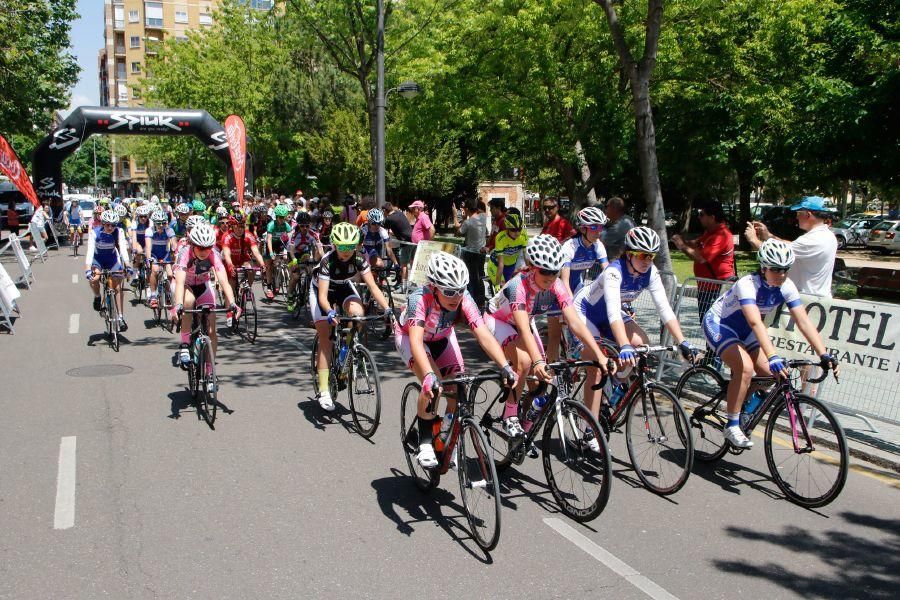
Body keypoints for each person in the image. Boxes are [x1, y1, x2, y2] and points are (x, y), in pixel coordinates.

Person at [702, 239, 839, 448]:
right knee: (746, 368)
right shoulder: (747, 284)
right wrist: (773, 355)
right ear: (764, 267)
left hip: (746, 331)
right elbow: (755, 321)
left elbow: (803, 321)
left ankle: (742, 407)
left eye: (785, 269)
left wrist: (824, 354)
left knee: (770, 373)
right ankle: (731, 425)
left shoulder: (787, 286)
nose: (781, 275)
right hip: (720, 324)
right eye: (776, 269)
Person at [396, 252, 517, 468]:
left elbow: (483, 334)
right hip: (411, 338)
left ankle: (444, 436)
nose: (456, 297)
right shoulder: (419, 299)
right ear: (433, 287)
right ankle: (424, 442)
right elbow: (416, 343)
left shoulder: (464, 299)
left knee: (458, 387)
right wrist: (429, 376)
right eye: (450, 292)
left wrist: (506, 366)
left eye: (461, 290)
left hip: (442, 337)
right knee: (434, 386)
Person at [484, 235, 609, 441]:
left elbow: (576, 323)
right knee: (524, 362)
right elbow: (523, 330)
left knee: (541, 386)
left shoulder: (557, 286)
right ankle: (510, 414)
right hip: (498, 321)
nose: (551, 277)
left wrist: (599, 355)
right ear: (532, 267)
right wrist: (538, 360)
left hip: (524, 320)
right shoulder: (518, 286)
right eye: (545, 271)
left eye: (555, 271)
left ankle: (524, 434)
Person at [575, 227, 698, 425]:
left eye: (652, 256)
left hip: (609, 315)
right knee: (597, 369)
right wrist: (623, 345)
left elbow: (665, 309)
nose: (647, 261)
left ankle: (612, 386)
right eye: (643, 255)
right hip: (586, 312)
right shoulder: (614, 272)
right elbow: (614, 311)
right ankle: (591, 427)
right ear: (630, 254)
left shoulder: (651, 272)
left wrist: (682, 341)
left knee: (641, 345)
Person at [310, 222, 393, 411]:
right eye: (342, 247)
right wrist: (330, 312)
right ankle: (323, 390)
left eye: (350, 246)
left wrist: (387, 308)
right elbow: (323, 297)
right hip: (321, 291)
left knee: (358, 315)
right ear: (334, 245)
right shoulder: (327, 262)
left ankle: (348, 350)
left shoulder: (359, 259)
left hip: (342, 286)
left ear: (356, 245)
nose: (346, 251)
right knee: (326, 338)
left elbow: (372, 287)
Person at [545, 206, 610, 362]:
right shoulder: (570, 247)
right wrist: (570, 305)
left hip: (578, 286)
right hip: (557, 289)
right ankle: (552, 375)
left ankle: (578, 354)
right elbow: (564, 281)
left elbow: (609, 275)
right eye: (594, 227)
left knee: (586, 323)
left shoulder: (598, 246)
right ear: (583, 228)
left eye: (600, 227)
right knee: (554, 336)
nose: (598, 231)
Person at [172, 223, 238, 372]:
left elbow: (224, 281)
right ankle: (184, 344)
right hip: (186, 284)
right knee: (188, 302)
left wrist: (233, 303)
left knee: (211, 330)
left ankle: (210, 369)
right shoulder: (185, 253)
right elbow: (180, 282)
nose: (204, 252)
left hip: (203, 284)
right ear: (192, 245)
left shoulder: (213, 254)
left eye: (207, 248)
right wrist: (177, 304)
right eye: (201, 248)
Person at [744, 196, 837, 298]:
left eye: (798, 213)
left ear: (808, 214)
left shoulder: (813, 239)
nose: (796, 217)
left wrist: (753, 239)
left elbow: (775, 254)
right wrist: (768, 236)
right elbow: (790, 246)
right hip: (817, 296)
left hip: (806, 298)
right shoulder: (827, 235)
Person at [671, 200, 736, 334]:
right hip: (707, 287)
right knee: (706, 323)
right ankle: (710, 353)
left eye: (702, 214)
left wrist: (682, 246)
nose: (699, 217)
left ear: (712, 217)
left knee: (713, 325)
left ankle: (715, 355)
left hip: (716, 288)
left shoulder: (721, 235)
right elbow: (696, 244)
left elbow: (701, 258)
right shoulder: (710, 232)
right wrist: (683, 241)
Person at [85, 209, 132, 331]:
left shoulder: (119, 231)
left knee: (117, 287)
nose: (110, 227)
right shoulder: (95, 233)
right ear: (102, 223)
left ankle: (121, 317)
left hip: (112, 260)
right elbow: (90, 252)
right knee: (95, 278)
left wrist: (127, 265)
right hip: (98, 260)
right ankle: (97, 296)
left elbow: (122, 249)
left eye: (113, 225)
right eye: (107, 225)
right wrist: (87, 269)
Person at [221, 217, 267, 307]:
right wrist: (230, 266)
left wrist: (262, 264)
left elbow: (256, 252)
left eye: (242, 226)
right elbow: (226, 254)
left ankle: (246, 289)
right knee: (232, 284)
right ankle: (231, 303)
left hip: (243, 258)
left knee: (251, 269)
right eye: (237, 227)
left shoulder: (249, 235)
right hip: (230, 259)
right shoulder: (226, 236)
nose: (240, 229)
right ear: (232, 227)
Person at [452, 197, 488, 307]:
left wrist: (455, 216)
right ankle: (481, 301)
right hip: (481, 252)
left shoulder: (468, 222)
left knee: (471, 278)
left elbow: (458, 232)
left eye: (464, 208)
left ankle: (471, 302)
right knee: (480, 277)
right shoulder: (482, 217)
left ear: (467, 209)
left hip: (470, 253)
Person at [285, 212, 323, 311]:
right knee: (295, 276)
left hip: (304, 252)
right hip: (293, 254)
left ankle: (307, 289)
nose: (305, 228)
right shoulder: (294, 234)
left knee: (310, 268)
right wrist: (293, 260)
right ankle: (290, 297)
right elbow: (291, 250)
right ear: (298, 225)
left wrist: (322, 259)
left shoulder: (313, 234)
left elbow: (319, 248)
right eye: (302, 226)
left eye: (307, 225)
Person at [145, 210, 176, 309]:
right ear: (154, 223)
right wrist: (149, 258)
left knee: (170, 274)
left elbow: (174, 244)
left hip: (165, 254)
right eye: (159, 223)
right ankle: (153, 296)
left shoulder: (169, 230)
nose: (161, 225)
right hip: (153, 254)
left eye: (164, 223)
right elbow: (148, 246)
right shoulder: (149, 230)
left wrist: (177, 252)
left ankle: (167, 294)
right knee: (155, 270)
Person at [263, 204, 292, 299]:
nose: (281, 220)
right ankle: (269, 287)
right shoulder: (271, 225)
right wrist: (271, 253)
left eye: (283, 218)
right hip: (270, 244)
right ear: (276, 216)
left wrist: (287, 251)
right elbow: (269, 240)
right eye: (279, 217)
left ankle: (278, 279)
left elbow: (290, 240)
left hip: (279, 244)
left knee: (284, 260)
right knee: (269, 265)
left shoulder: (286, 225)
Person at [491, 212, 528, 286]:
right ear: (507, 228)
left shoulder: (523, 235)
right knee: (501, 288)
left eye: (519, 229)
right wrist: (497, 284)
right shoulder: (500, 238)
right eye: (513, 230)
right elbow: (500, 264)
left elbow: (526, 257)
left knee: (510, 289)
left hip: (511, 265)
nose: (517, 233)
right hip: (496, 264)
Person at [384, 202, 413, 290]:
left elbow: (383, 226)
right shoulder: (399, 213)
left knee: (403, 265)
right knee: (411, 263)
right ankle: (410, 285)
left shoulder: (390, 219)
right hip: (413, 239)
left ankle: (403, 287)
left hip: (405, 242)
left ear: (385, 211)